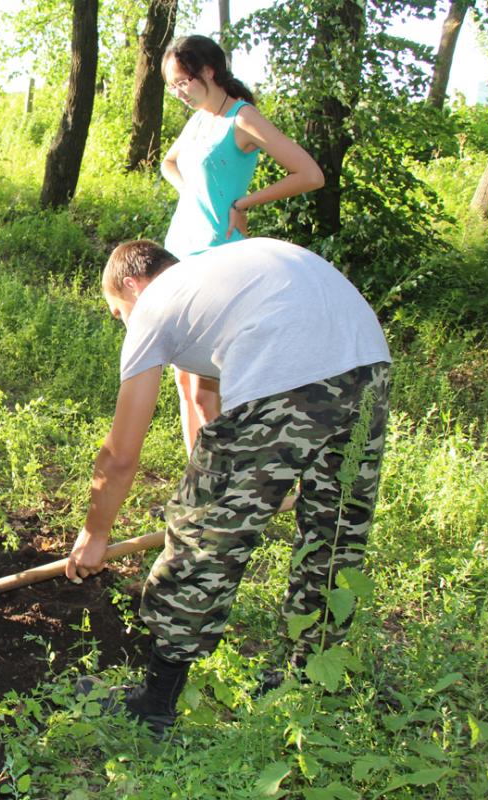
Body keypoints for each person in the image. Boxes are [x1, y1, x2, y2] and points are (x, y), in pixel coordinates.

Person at [65, 237, 390, 734]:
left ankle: (155, 702)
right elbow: (204, 401)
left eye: (117, 312)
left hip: (289, 369)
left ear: (131, 286)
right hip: (368, 362)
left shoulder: (153, 306)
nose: (123, 322)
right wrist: (259, 479)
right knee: (335, 527)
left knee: (201, 537)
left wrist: (94, 535)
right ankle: (311, 678)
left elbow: (121, 452)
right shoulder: (217, 279)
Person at [160, 35, 324, 457]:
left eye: (183, 82)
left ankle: (220, 479)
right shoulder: (198, 119)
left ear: (209, 72)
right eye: (172, 86)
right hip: (179, 253)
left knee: (206, 386)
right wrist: (191, 195)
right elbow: (169, 162)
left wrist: (245, 202)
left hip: (218, 258)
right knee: (184, 381)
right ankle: (194, 475)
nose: (179, 93)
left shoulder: (241, 118)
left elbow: (309, 174)